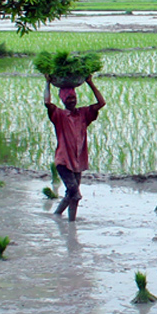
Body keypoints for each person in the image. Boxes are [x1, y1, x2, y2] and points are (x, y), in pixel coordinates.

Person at [44, 75, 105, 221]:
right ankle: (66, 221)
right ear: (64, 101)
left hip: (77, 161)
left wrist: (90, 82)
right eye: (68, 99)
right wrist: (47, 83)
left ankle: (63, 219)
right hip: (63, 161)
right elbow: (47, 102)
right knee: (75, 193)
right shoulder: (59, 115)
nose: (72, 101)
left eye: (73, 98)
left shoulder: (83, 114)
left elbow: (101, 103)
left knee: (72, 195)